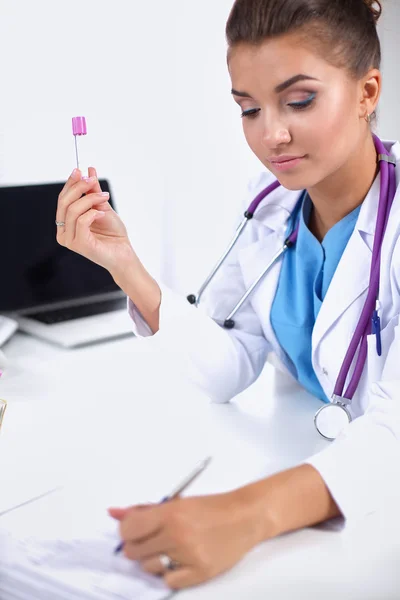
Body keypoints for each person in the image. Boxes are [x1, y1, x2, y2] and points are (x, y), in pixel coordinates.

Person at [56, 0, 400, 590]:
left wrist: (242, 517)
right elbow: (229, 368)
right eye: (249, 109)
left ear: (368, 91)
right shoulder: (268, 205)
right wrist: (125, 265)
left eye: (299, 101)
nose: (272, 134)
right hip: (303, 462)